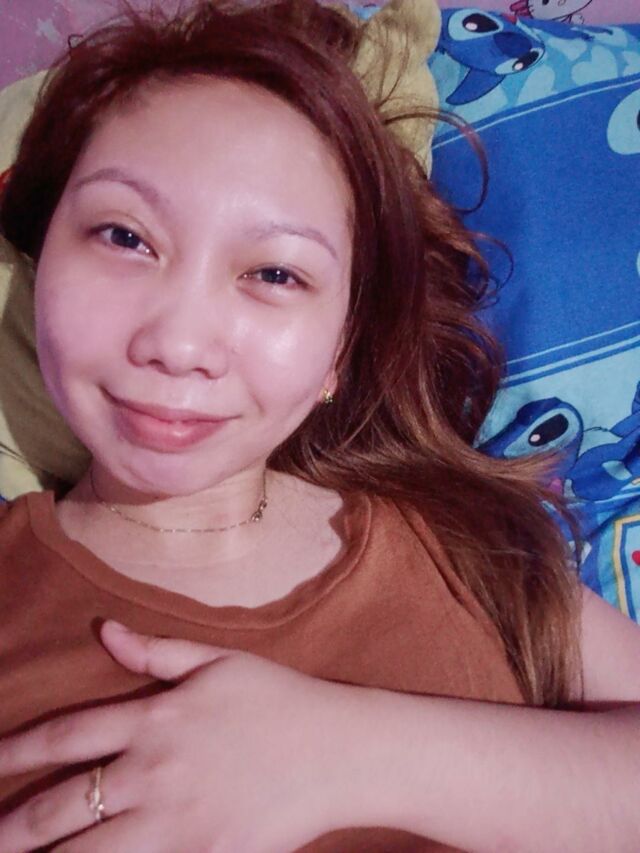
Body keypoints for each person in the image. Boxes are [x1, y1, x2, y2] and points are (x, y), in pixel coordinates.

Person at [0, 1, 638, 851]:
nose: (178, 344)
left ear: (341, 348)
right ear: (40, 261)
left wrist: (342, 753)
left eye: (275, 274)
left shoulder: (463, 548)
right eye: (124, 236)